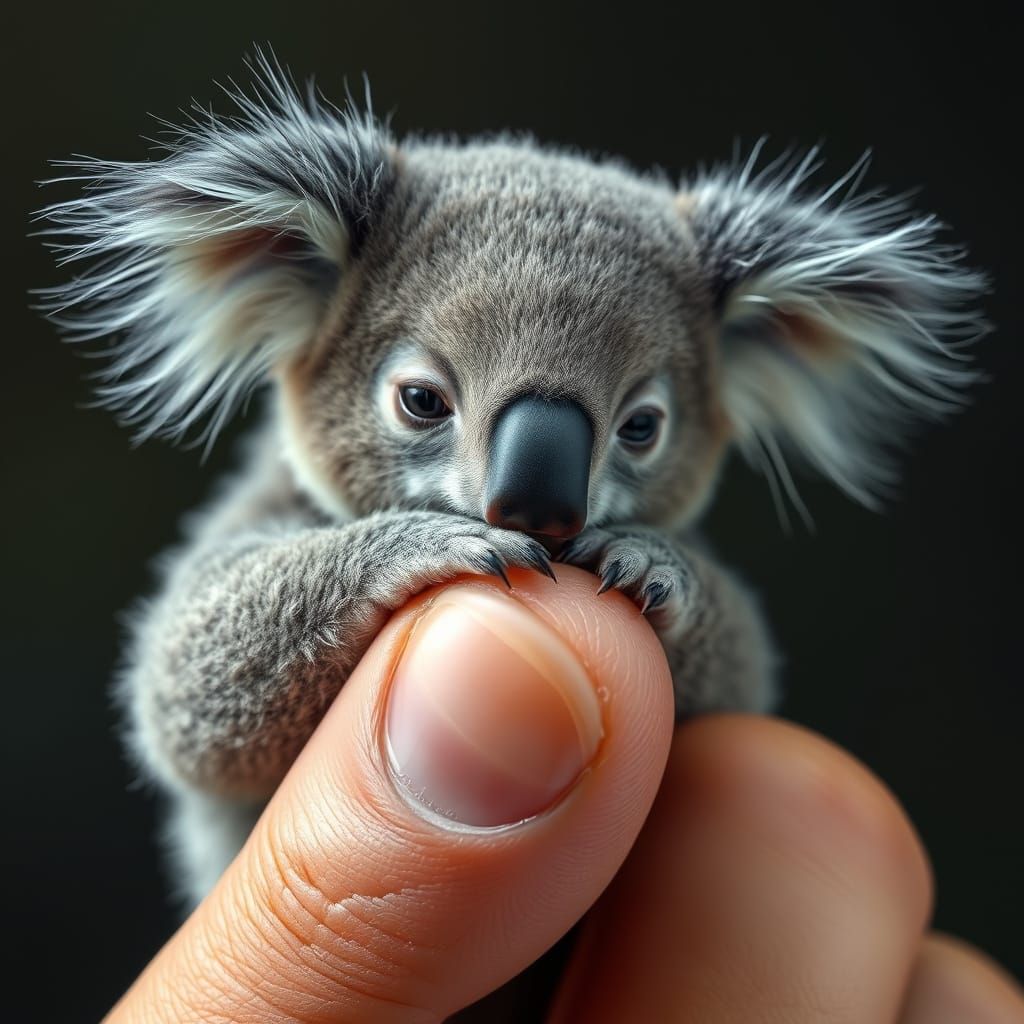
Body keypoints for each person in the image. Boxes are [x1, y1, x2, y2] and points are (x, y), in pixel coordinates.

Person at [104, 566, 1024, 1022]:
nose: (537, 480)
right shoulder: (278, 521)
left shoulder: (622, 570)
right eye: (425, 402)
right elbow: (189, 720)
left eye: (636, 428)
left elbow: (724, 711)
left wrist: (676, 602)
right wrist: (369, 565)